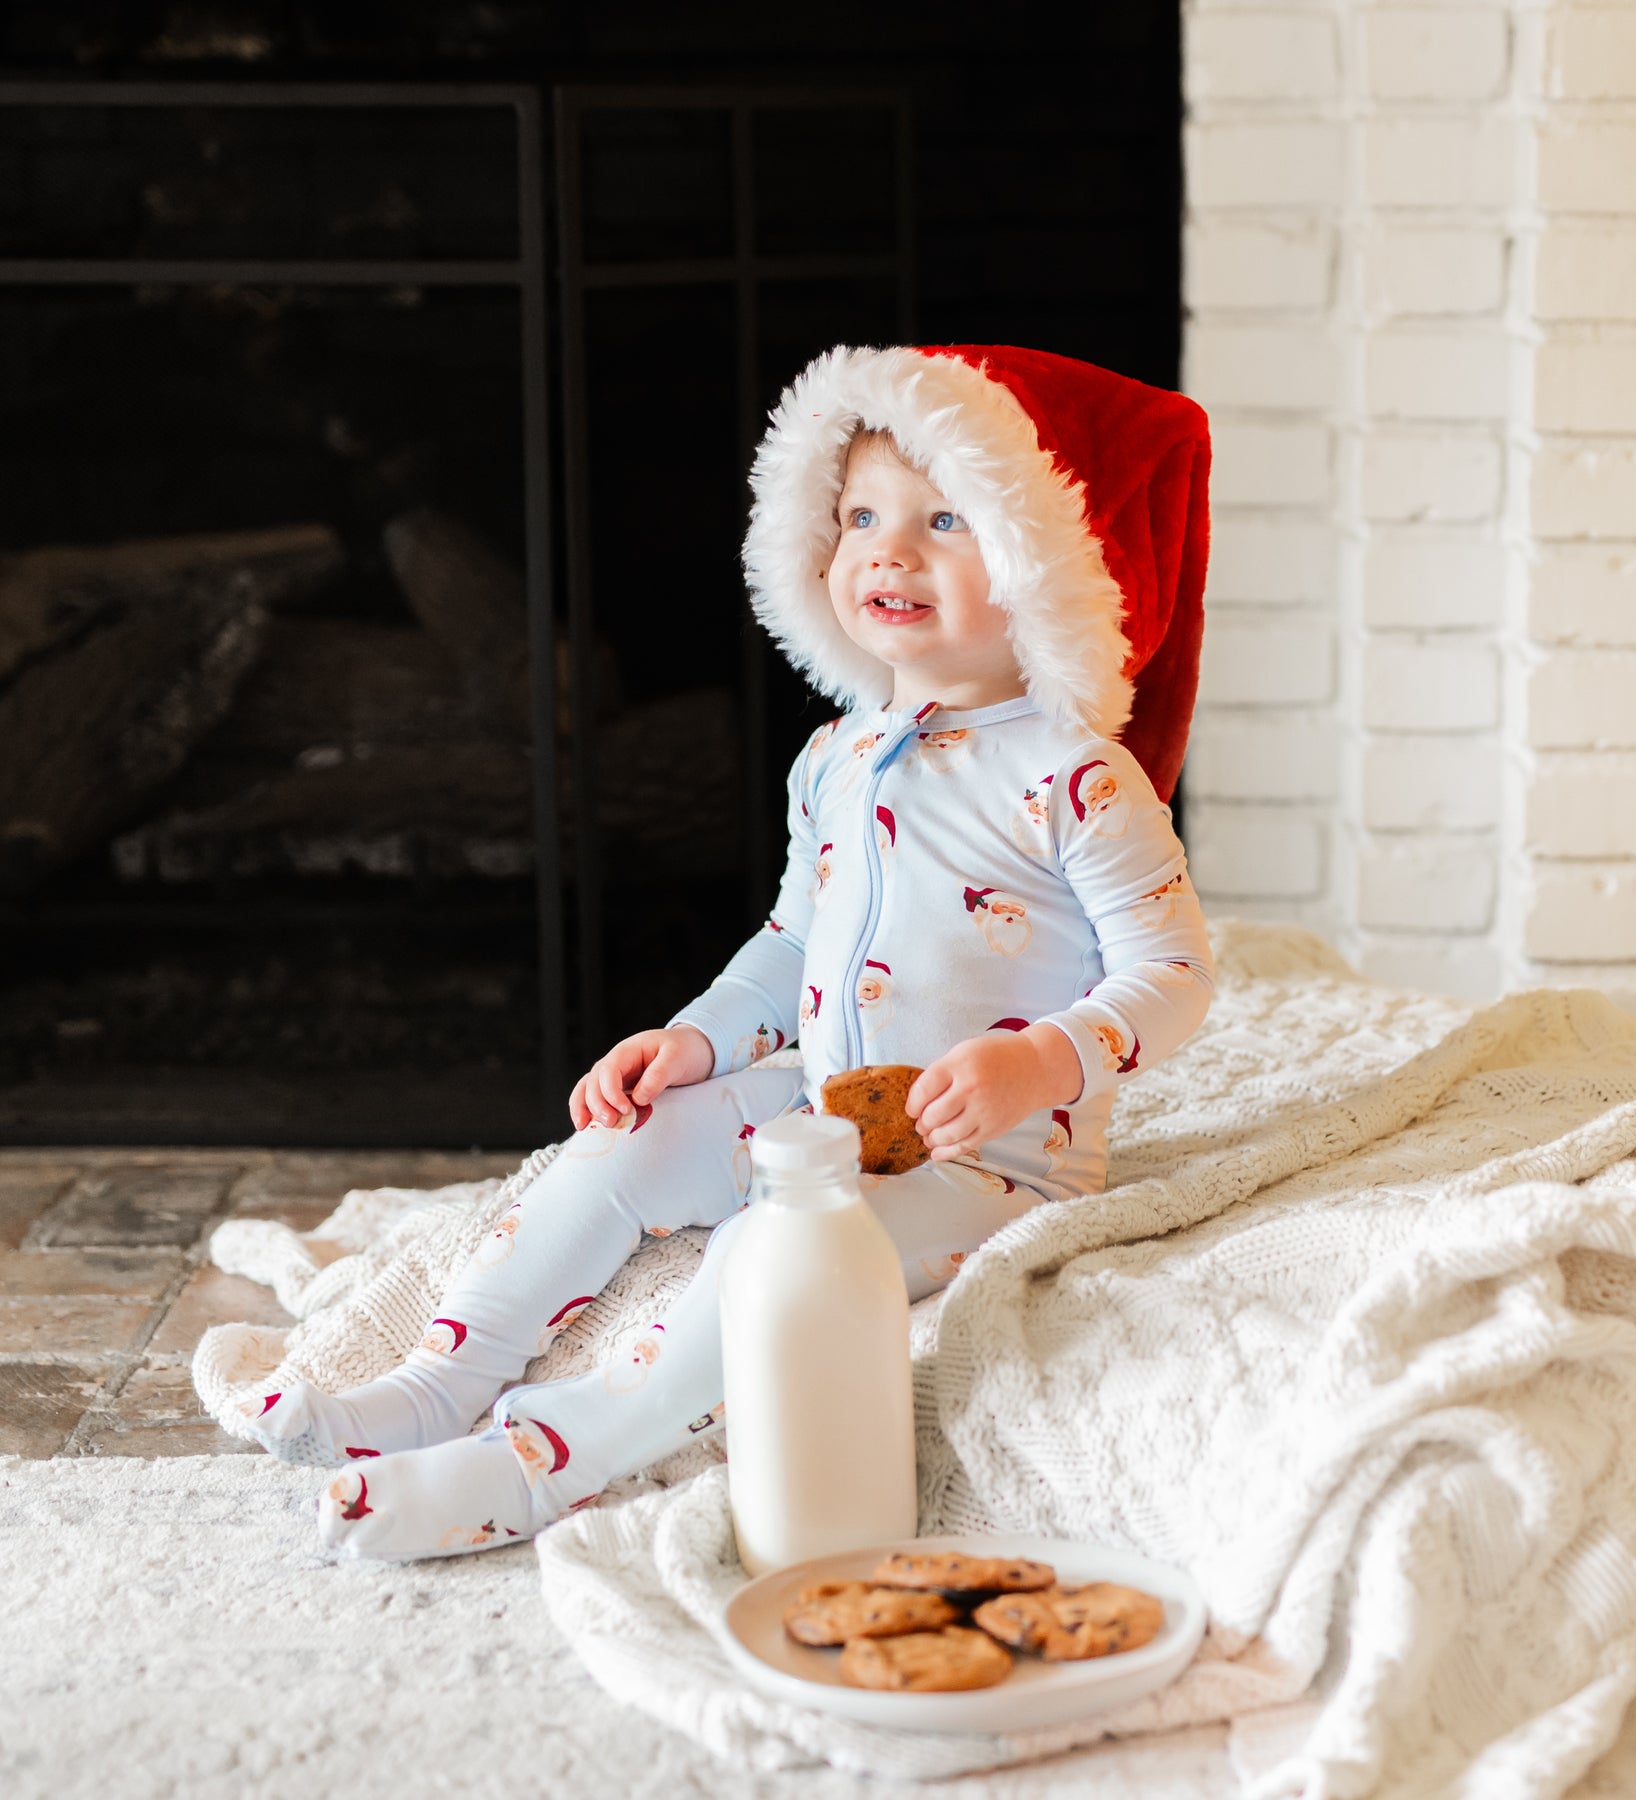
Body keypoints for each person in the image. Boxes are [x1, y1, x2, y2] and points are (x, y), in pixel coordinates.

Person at [239, 342, 1217, 1559]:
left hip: (991, 1167)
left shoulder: (1080, 779)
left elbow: (1175, 975)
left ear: (1052, 565)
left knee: (778, 1245)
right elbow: (790, 941)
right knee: (623, 1142)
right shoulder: (837, 758)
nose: (888, 551)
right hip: (819, 1103)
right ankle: (439, 1385)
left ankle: (540, 1464)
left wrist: (1041, 1064)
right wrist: (695, 1039)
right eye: (861, 513)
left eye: (946, 519)